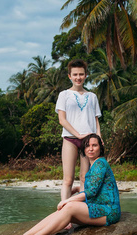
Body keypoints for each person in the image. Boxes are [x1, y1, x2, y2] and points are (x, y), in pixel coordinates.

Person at [8, 134, 120, 235]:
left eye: (94, 145)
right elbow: (95, 187)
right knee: (61, 213)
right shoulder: (95, 164)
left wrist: (67, 200)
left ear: (100, 147)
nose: (90, 149)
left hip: (109, 211)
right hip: (98, 207)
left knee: (69, 207)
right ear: (84, 149)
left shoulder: (100, 164)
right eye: (87, 146)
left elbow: (91, 192)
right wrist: (76, 189)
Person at [55, 59, 102, 201]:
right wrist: (78, 135)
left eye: (81, 74)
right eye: (75, 74)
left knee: (84, 178)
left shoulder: (92, 96)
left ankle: (81, 209)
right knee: (68, 179)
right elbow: (62, 120)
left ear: (86, 75)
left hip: (89, 142)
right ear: (69, 76)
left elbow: (95, 120)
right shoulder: (64, 95)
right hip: (70, 139)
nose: (78, 77)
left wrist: (99, 138)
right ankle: (63, 212)